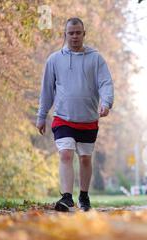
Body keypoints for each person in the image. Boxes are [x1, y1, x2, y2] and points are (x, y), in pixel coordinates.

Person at [36, 17, 114, 212]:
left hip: (88, 119)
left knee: (85, 159)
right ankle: (67, 197)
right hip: (63, 118)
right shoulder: (54, 60)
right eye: (71, 33)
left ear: (84, 34)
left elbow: (105, 83)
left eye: (78, 32)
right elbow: (47, 90)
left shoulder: (96, 58)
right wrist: (41, 115)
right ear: (65, 35)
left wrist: (106, 102)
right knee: (65, 154)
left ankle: (84, 196)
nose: (75, 36)